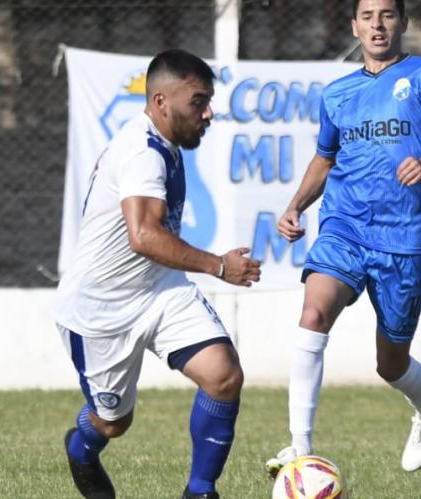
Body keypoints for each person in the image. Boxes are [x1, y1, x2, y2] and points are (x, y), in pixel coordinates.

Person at [266, 0, 421, 476]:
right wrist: (295, 205)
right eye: (367, 16)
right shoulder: (338, 94)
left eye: (387, 14)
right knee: (314, 311)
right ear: (354, 26)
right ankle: (300, 449)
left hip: (404, 238)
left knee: (390, 363)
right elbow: (325, 159)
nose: (377, 24)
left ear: (403, 22)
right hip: (345, 224)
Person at [54, 49, 261, 499]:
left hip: (158, 288)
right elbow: (144, 237)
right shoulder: (143, 152)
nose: (208, 113)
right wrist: (219, 265)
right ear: (162, 101)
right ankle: (81, 445)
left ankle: (199, 491)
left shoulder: (165, 142)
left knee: (223, 375)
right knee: (113, 423)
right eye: (198, 101)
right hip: (101, 308)